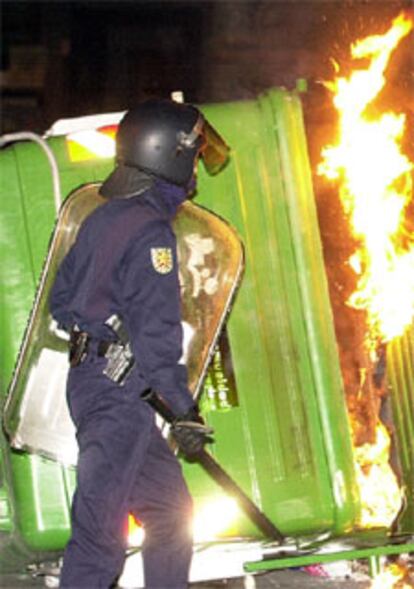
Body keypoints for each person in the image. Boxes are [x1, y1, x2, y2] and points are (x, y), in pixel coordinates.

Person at [49, 98, 229, 589]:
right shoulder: (151, 233)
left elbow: (60, 302)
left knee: (171, 515)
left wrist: (102, 332)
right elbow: (156, 337)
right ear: (168, 156)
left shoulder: (102, 218)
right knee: (99, 542)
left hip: (97, 385)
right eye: (192, 156)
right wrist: (183, 408)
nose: (195, 167)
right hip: (117, 397)